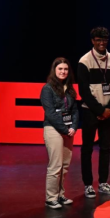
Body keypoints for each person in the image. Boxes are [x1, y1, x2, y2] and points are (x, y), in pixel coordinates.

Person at [77, 27, 110, 199]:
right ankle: (88, 185)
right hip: (90, 112)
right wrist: (99, 110)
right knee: (87, 149)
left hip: (108, 113)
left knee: (105, 148)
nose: (101, 43)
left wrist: (109, 110)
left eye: (104, 40)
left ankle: (103, 182)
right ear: (92, 41)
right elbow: (83, 91)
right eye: (98, 40)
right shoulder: (85, 61)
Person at [40, 57, 80, 209]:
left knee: (65, 165)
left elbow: (74, 111)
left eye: (65, 69)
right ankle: (51, 198)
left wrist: (74, 127)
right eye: (60, 69)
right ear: (54, 71)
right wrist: (65, 129)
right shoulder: (47, 89)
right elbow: (50, 113)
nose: (63, 72)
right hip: (53, 129)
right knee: (55, 165)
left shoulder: (70, 88)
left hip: (68, 130)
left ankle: (60, 195)